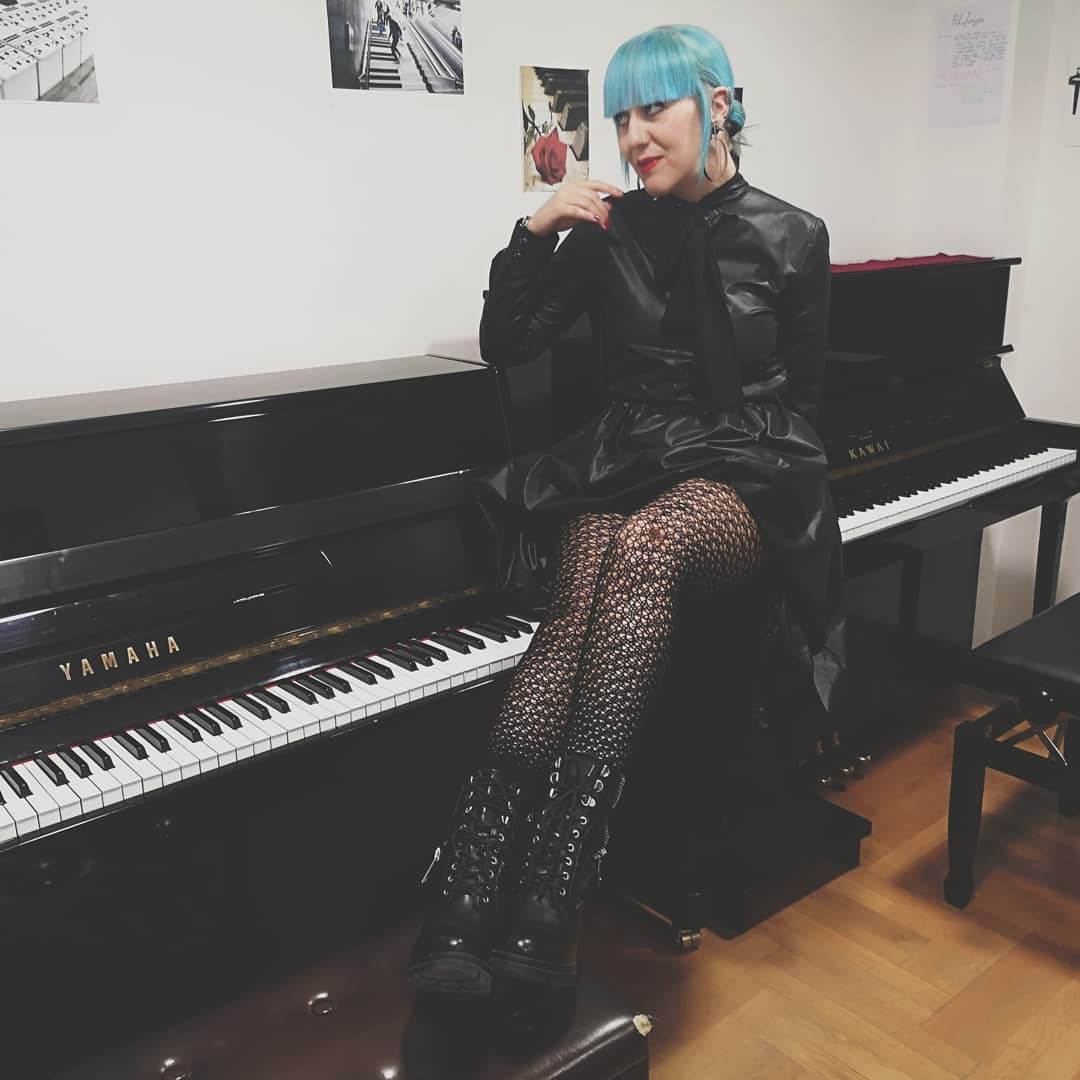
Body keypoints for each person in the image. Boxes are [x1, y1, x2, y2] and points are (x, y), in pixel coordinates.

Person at [408, 23, 846, 996]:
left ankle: (554, 891)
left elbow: (806, 403)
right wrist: (537, 231)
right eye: (620, 117)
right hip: (626, 460)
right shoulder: (607, 231)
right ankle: (474, 888)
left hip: (745, 477)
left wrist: (754, 473)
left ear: (717, 105)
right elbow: (508, 343)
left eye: (654, 109)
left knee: (643, 545)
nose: (634, 135)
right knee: (582, 586)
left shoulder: (794, 236)